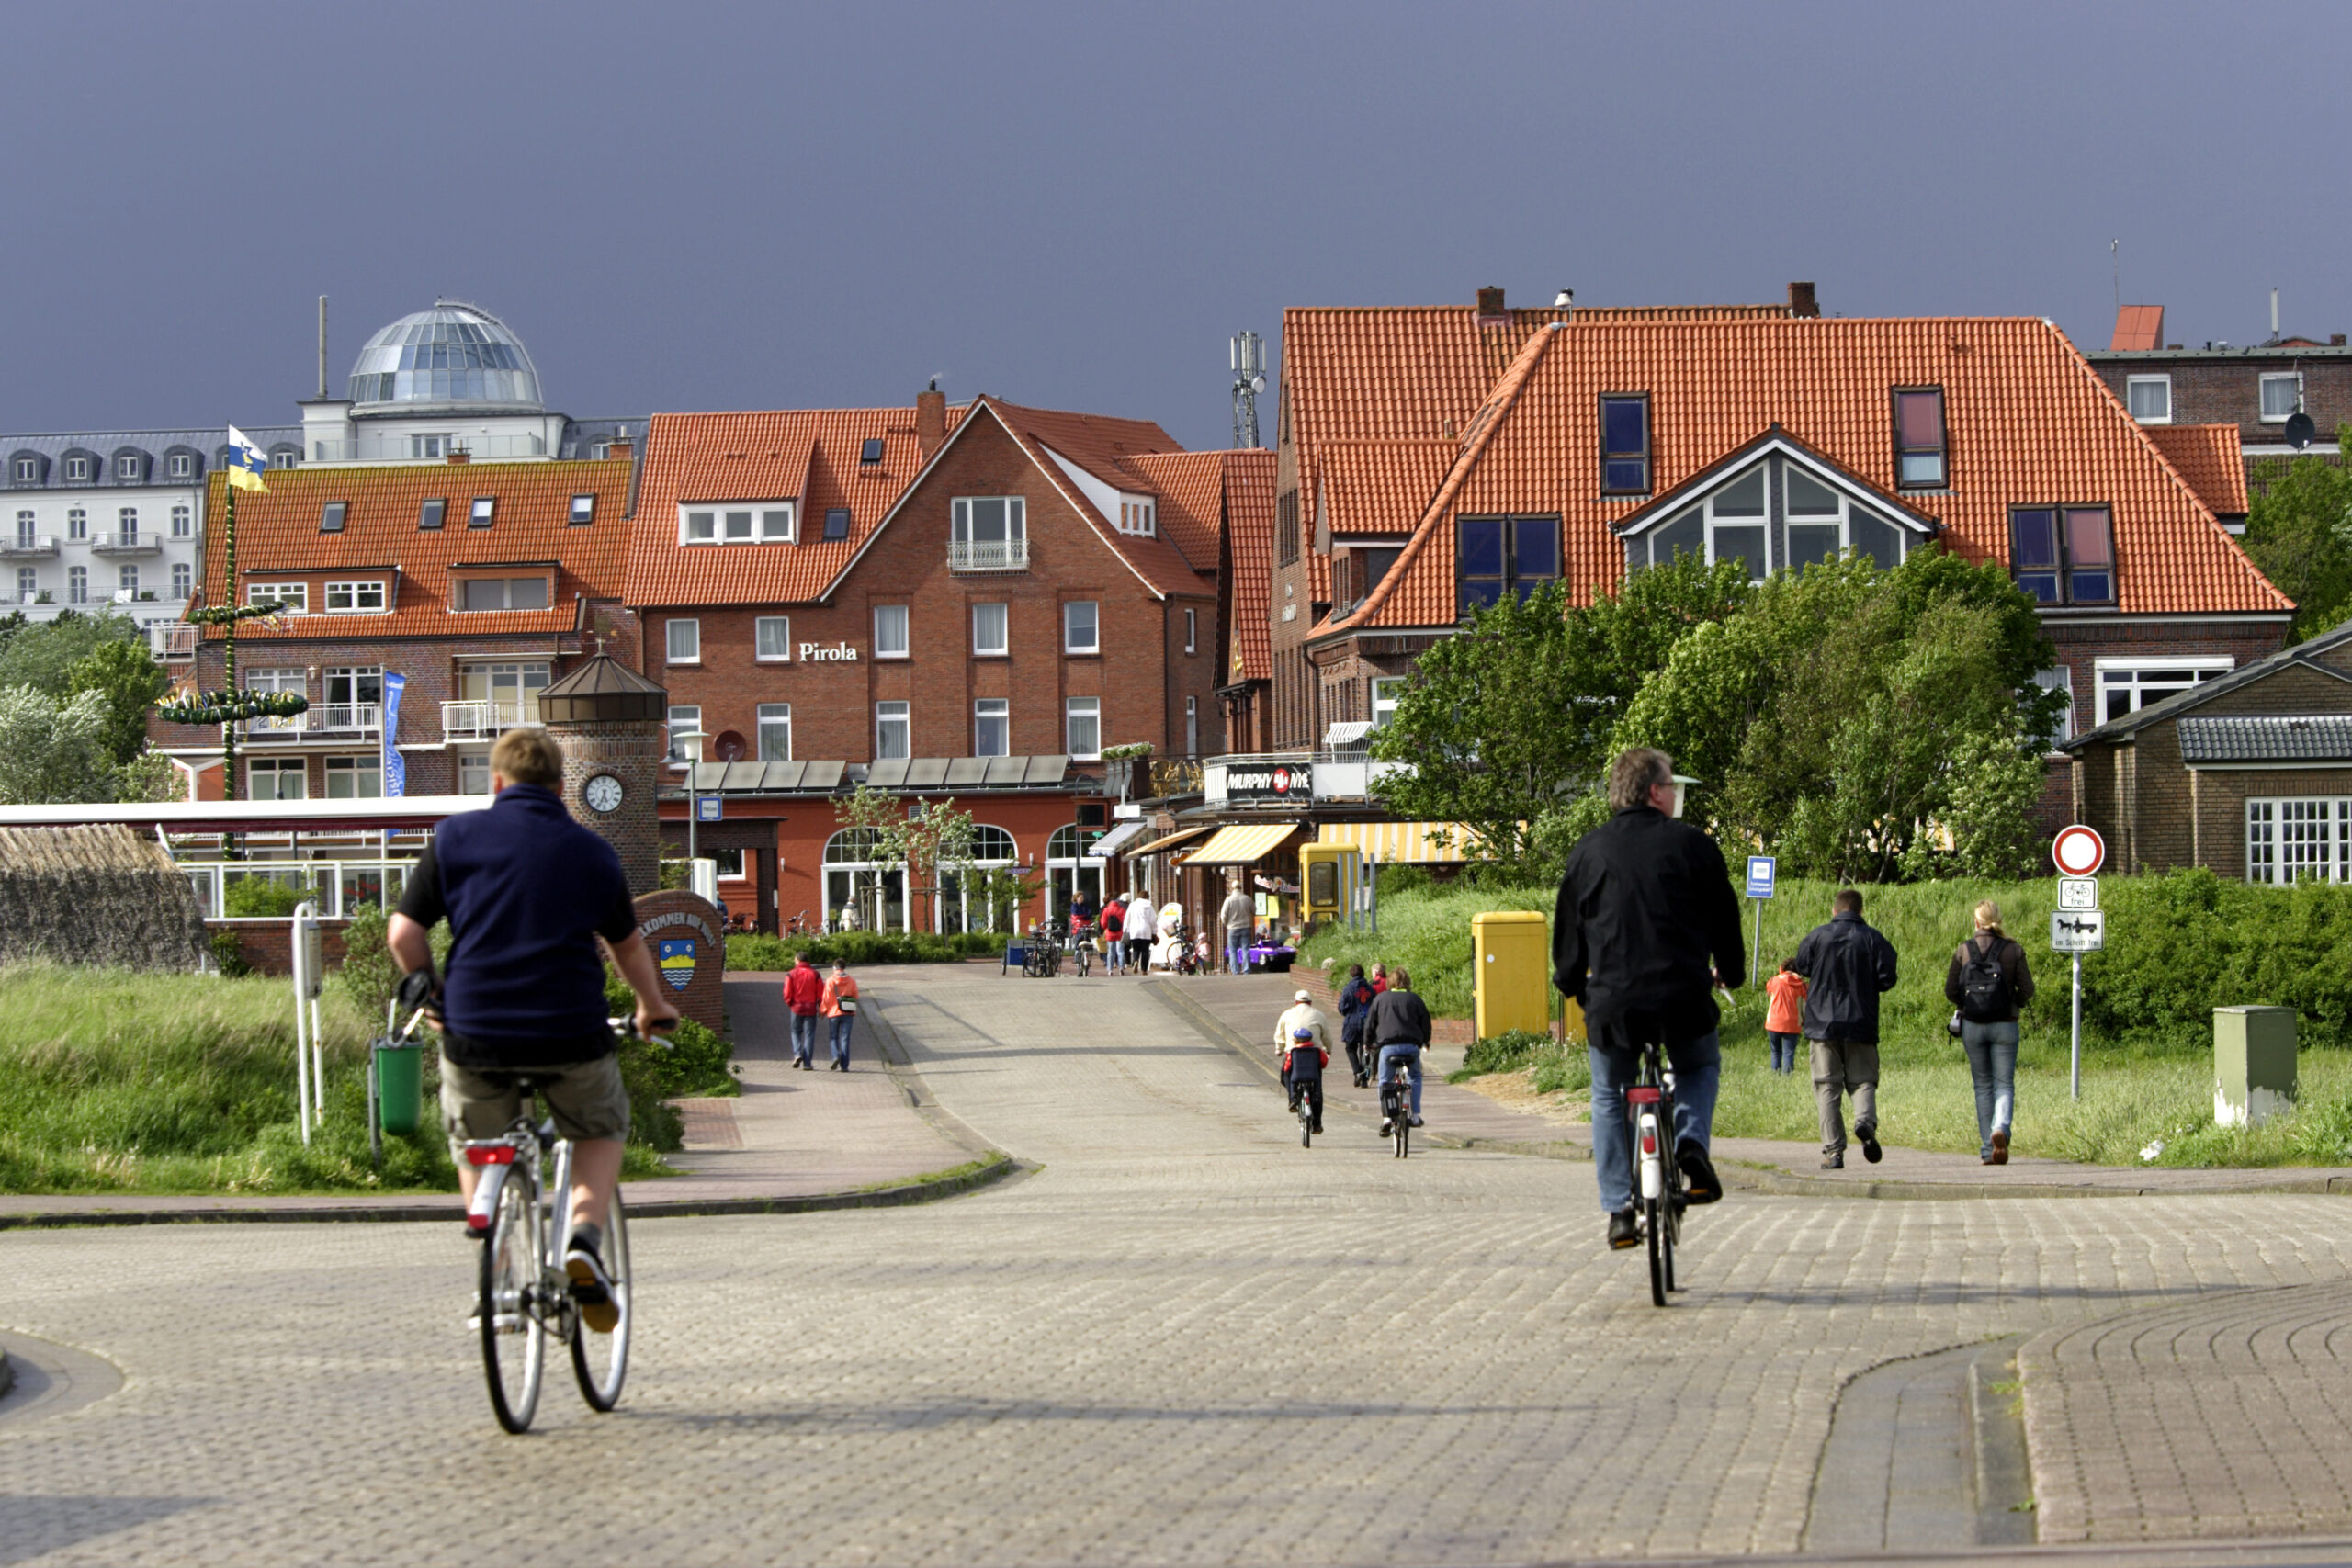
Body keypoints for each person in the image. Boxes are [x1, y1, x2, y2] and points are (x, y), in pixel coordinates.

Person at [387, 727, 679, 1331]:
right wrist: (650, 1005)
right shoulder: (593, 852)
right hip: (571, 1030)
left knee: (473, 1139)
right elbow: (628, 948)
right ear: (561, 789)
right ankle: (582, 1242)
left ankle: (492, 1267)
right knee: (600, 1127)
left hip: (474, 1032)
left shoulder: (455, 838)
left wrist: (431, 989)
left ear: (496, 782)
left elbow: (403, 935)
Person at [1552, 746, 1745, 1251]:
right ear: (1655, 791)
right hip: (1683, 997)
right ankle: (1689, 1144)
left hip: (1612, 1004)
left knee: (1607, 1096)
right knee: (1699, 1066)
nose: (1675, 796)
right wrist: (1732, 972)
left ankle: (1618, 1209)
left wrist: (1573, 985)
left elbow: (1569, 936)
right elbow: (1725, 918)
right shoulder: (1695, 846)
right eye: (1672, 786)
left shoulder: (1588, 852)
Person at [1792, 888, 1900, 1170]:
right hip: (1860, 1021)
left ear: (1834, 911)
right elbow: (1888, 979)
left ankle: (1834, 1152)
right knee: (1863, 1080)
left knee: (1827, 1086)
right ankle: (1864, 1122)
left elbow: (1802, 965)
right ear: (1861, 912)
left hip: (1822, 1025)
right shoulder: (1873, 938)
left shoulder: (1818, 936)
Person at [1944, 899, 2033, 1166]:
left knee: (1982, 1085)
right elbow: (2027, 990)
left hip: (1973, 1026)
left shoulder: (1964, 950)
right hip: (2006, 1024)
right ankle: (2000, 1129)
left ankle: (1987, 1149)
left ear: (1976, 922)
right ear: (1999, 920)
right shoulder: (2013, 950)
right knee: (2004, 1083)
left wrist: (1967, 1006)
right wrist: (2013, 1004)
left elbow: (1950, 990)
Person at [1365, 967, 1432, 1133]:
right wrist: (1425, 1041)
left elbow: (1370, 1024)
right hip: (1411, 1046)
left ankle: (1387, 1118)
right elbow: (1426, 1023)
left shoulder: (1381, 999)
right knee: (1415, 1076)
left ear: (1389, 982)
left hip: (1388, 1047)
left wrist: (1368, 1043)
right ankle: (1415, 1115)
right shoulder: (1415, 999)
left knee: (1385, 1081)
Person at [1273, 987, 1333, 1123]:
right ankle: (1317, 1123)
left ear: (1296, 1002)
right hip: (1314, 1054)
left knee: (1286, 1075)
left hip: (1293, 1053)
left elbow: (1280, 1035)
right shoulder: (1319, 1015)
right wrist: (1328, 1049)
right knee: (1318, 1088)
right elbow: (1327, 1037)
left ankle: (1293, 1097)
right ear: (1310, 1002)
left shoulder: (1286, 1014)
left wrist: (1279, 1049)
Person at [1335, 963, 1377, 1086]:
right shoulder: (1370, 989)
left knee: (1350, 1048)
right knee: (1365, 1049)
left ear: (1351, 974)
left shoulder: (1348, 989)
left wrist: (1349, 1014)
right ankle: (1364, 1077)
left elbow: (1342, 1007)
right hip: (1367, 1023)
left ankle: (1357, 1072)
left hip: (1352, 1024)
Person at [1764, 961, 1807, 1075]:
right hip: (1793, 1023)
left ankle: (1775, 1076)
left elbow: (1769, 993)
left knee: (1775, 1052)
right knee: (1789, 1052)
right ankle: (1787, 1077)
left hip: (1773, 1022)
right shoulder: (1802, 985)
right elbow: (1804, 1005)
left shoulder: (1774, 981)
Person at [783, 951, 823, 1069]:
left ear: (798, 960)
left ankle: (797, 1054)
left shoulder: (791, 974)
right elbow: (821, 992)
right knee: (809, 1035)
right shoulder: (815, 974)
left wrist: (790, 1003)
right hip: (811, 1007)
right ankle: (807, 1063)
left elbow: (787, 992)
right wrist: (821, 1006)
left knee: (795, 1032)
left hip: (797, 1007)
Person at [820, 960, 860, 1072]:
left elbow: (826, 998)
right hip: (848, 1012)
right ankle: (844, 1066)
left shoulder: (830, 981)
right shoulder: (851, 980)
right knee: (845, 1039)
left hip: (834, 1012)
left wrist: (823, 1010)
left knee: (833, 1037)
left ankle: (835, 1056)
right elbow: (856, 996)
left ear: (834, 968)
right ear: (844, 967)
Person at [1219, 882, 1256, 975]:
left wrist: (1227, 924)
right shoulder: (1247, 899)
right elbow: (1254, 910)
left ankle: (1235, 971)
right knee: (1245, 949)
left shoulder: (1229, 900)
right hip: (1245, 927)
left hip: (1232, 928)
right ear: (1241, 888)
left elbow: (1223, 915)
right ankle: (1246, 969)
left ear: (1232, 889)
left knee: (1232, 950)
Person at [1123, 889, 1156, 975]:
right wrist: (1154, 931)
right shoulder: (1150, 907)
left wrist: (1125, 929)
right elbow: (1153, 921)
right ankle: (1144, 969)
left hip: (1134, 930)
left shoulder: (1132, 905)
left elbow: (1127, 918)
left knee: (1136, 949)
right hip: (1146, 930)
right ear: (1147, 897)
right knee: (1145, 950)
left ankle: (1136, 961)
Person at [1101, 892, 1126, 976]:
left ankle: (1110, 969)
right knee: (1120, 951)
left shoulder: (1107, 909)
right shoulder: (1121, 909)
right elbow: (1124, 921)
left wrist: (1106, 928)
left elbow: (1103, 922)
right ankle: (1121, 967)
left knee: (1110, 952)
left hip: (1110, 933)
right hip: (1119, 933)